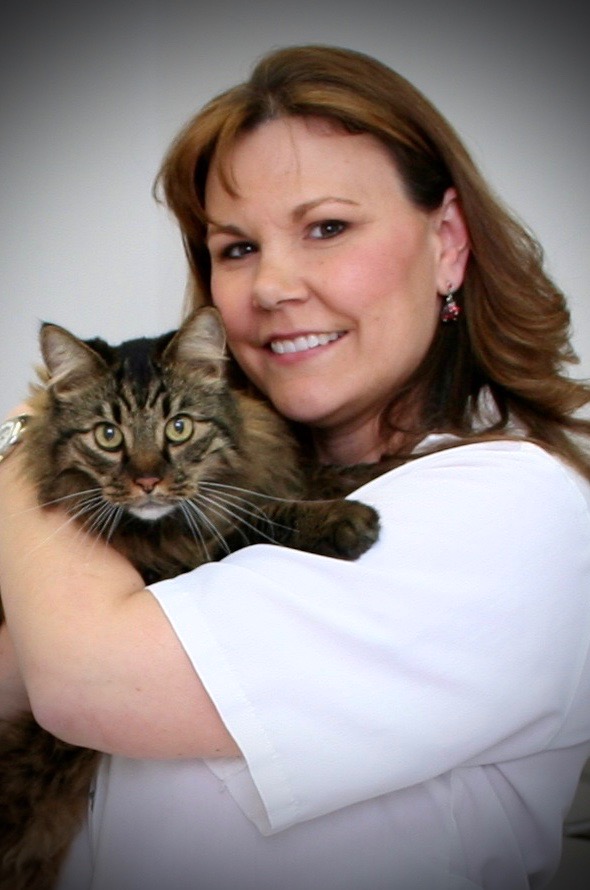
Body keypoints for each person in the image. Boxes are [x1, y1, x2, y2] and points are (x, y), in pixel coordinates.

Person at [1, 43, 590, 890]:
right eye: (236, 248)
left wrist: (24, 431)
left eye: (327, 227)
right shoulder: (208, 507)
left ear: (448, 242)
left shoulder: (516, 510)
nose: (273, 285)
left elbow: (81, 680)